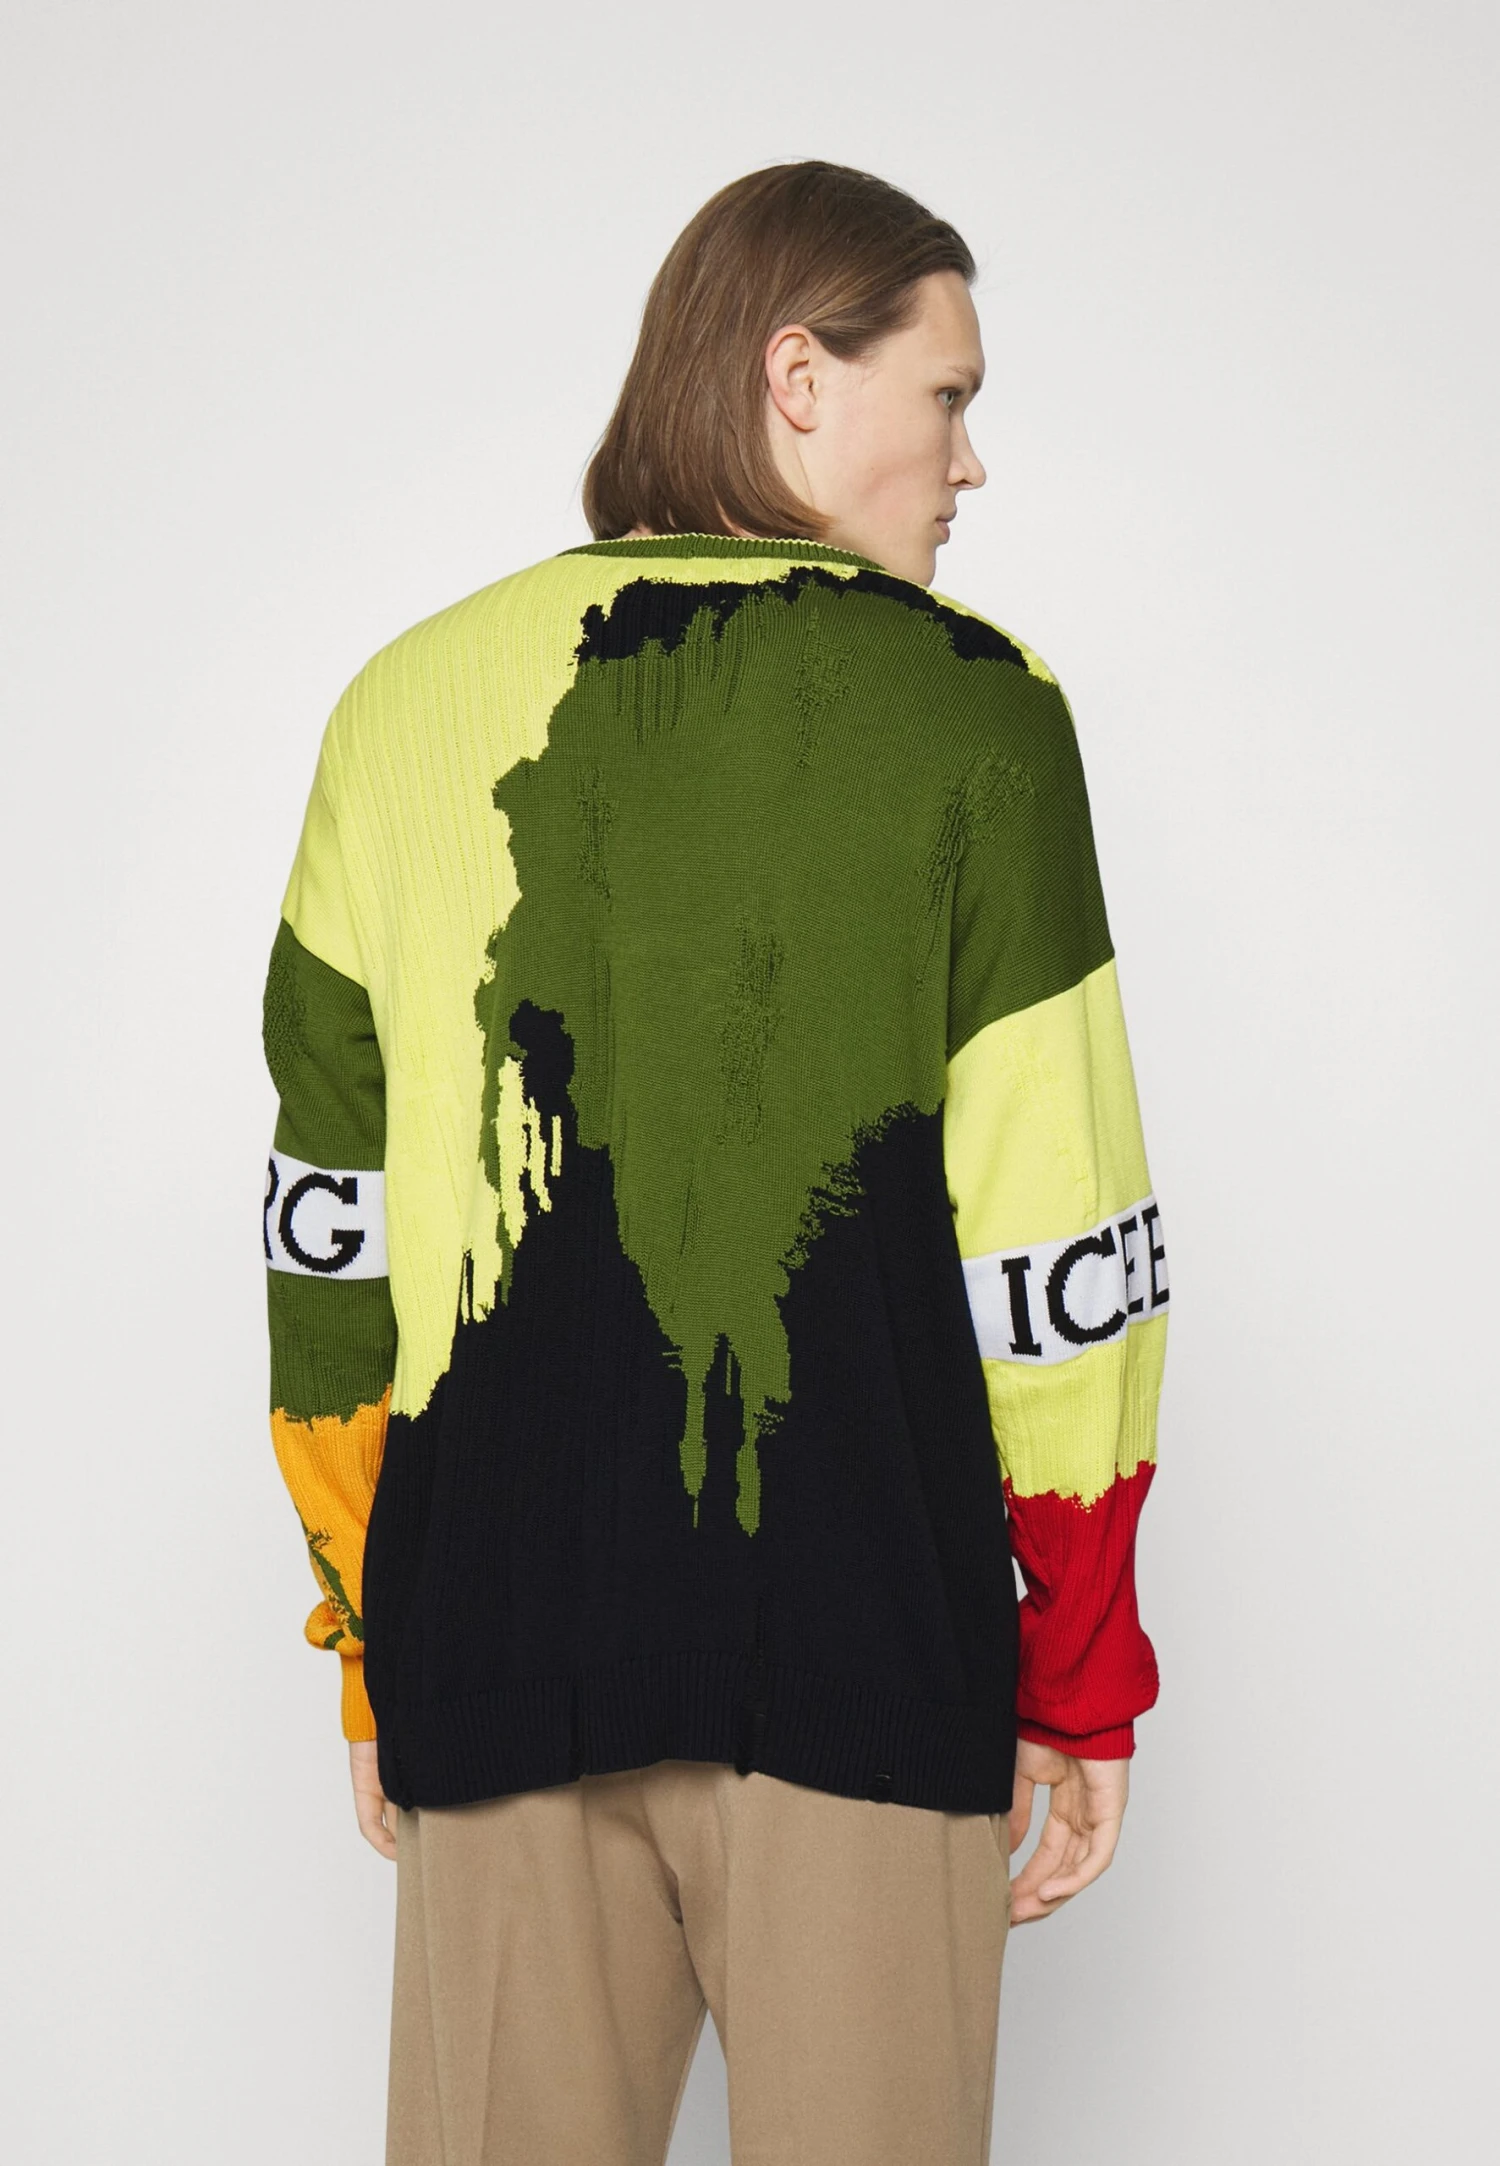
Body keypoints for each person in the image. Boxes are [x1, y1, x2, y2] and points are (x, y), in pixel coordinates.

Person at [261, 159, 1168, 2166]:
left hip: (492, 1639)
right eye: (948, 395)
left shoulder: (397, 708)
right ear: (798, 376)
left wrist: (372, 1628)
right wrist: (1082, 1657)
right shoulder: (977, 716)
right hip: (866, 1644)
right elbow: (1064, 1239)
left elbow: (328, 1239)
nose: (972, 461)